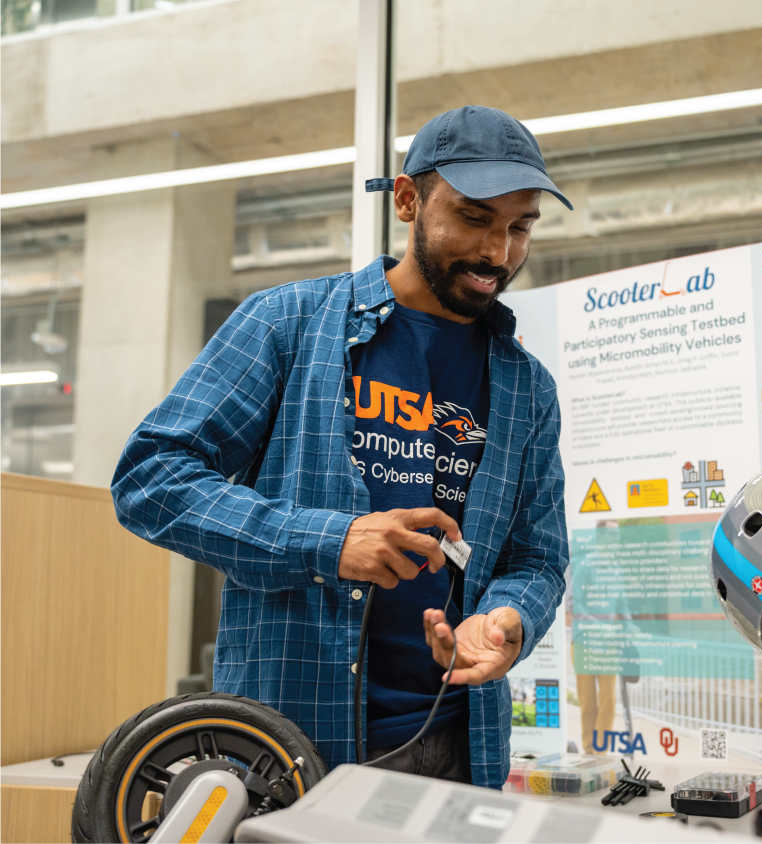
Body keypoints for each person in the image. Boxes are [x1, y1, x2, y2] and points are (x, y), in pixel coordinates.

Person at [111, 105, 571, 789]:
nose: (498, 253)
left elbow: (537, 558)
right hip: (290, 746)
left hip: (457, 749)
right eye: (475, 219)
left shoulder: (525, 387)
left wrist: (509, 620)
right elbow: (150, 480)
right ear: (409, 200)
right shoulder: (288, 326)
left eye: (519, 226)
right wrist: (329, 541)